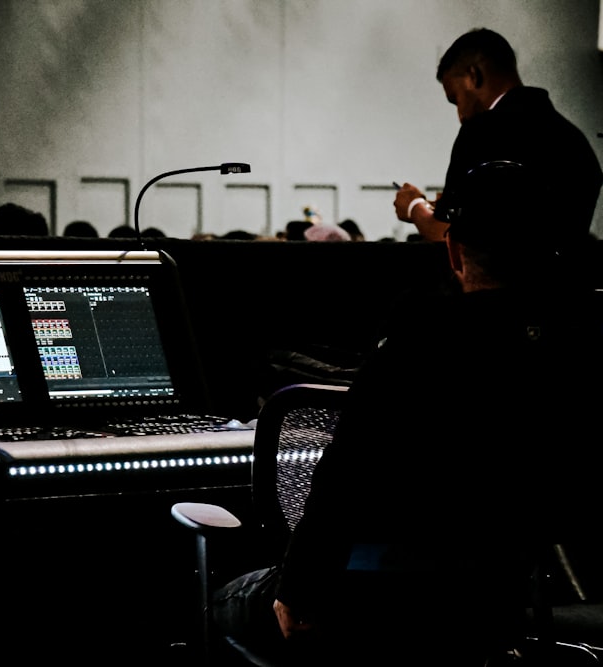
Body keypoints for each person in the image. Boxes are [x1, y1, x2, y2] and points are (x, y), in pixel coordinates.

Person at [210, 160, 603, 666]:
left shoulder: (418, 341)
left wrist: (298, 589)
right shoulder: (579, 348)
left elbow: (343, 481)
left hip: (373, 602)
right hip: (496, 600)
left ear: (455, 251)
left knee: (222, 603)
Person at [394, 28, 602, 245]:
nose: (461, 116)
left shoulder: (481, 132)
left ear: (473, 76)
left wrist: (414, 207)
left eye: (455, 99)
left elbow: (450, 238)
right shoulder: (575, 141)